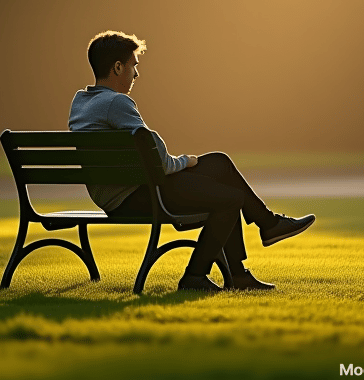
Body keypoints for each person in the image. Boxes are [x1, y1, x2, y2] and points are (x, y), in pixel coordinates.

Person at [68, 30, 315, 292]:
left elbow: (150, 155)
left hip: (121, 192)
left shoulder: (81, 102)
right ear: (118, 67)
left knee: (219, 163)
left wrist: (182, 163)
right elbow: (159, 160)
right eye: (133, 66)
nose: (136, 74)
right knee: (231, 199)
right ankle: (196, 276)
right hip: (137, 195)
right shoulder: (117, 103)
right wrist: (186, 161)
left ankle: (258, 241)